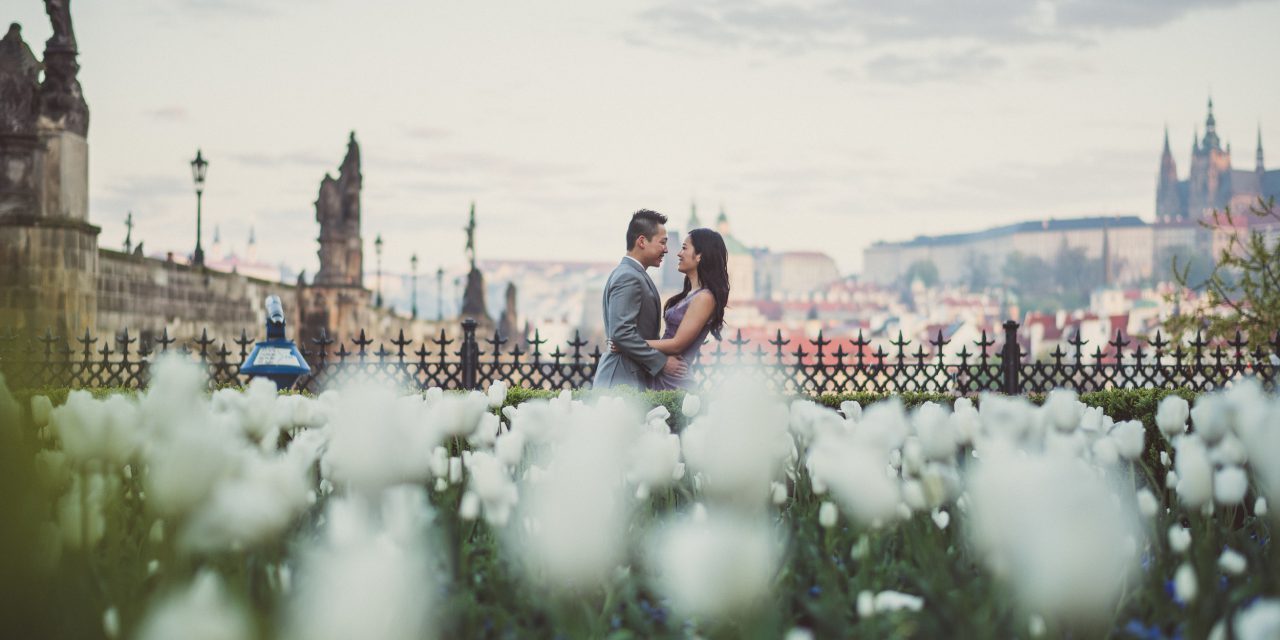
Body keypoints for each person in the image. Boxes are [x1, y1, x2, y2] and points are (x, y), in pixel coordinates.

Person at [614, 227, 729, 390]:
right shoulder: (691, 294)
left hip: (675, 382)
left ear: (699, 256)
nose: (678, 253)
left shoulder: (704, 298)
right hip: (663, 375)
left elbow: (677, 344)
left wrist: (628, 343)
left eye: (684, 248)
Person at [593, 210, 688, 390]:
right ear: (642, 241)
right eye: (662, 242)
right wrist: (662, 363)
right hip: (621, 379)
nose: (666, 249)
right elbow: (621, 334)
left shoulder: (631, 274)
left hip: (628, 376)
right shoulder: (629, 277)